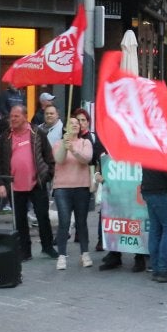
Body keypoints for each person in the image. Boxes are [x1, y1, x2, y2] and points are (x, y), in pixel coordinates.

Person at [0, 104, 56, 262]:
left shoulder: (37, 133)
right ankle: (25, 251)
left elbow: (49, 157)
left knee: (42, 216)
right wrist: (0, 183)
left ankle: (47, 247)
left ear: (25, 117)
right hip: (14, 185)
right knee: (20, 219)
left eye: (16, 116)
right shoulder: (6, 136)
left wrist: (47, 175)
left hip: (37, 183)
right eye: (11, 116)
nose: (12, 119)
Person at [50, 114, 94, 270]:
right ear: (65, 127)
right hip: (62, 188)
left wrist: (74, 149)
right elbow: (59, 159)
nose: (75, 125)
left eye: (77, 123)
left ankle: (85, 253)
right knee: (64, 222)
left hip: (81, 186)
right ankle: (62, 255)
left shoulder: (85, 142)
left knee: (81, 222)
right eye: (71, 123)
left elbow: (86, 159)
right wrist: (65, 145)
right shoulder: (58, 143)